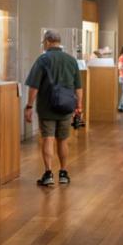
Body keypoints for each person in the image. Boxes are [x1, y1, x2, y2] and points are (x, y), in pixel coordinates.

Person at [24, 30, 83, 186]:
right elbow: (78, 87)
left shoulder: (42, 60)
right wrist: (79, 106)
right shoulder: (71, 60)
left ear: (48, 41)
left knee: (48, 139)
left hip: (47, 106)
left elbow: (34, 86)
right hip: (66, 106)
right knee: (63, 140)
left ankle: (48, 174)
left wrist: (29, 105)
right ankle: (63, 173)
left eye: (44, 42)